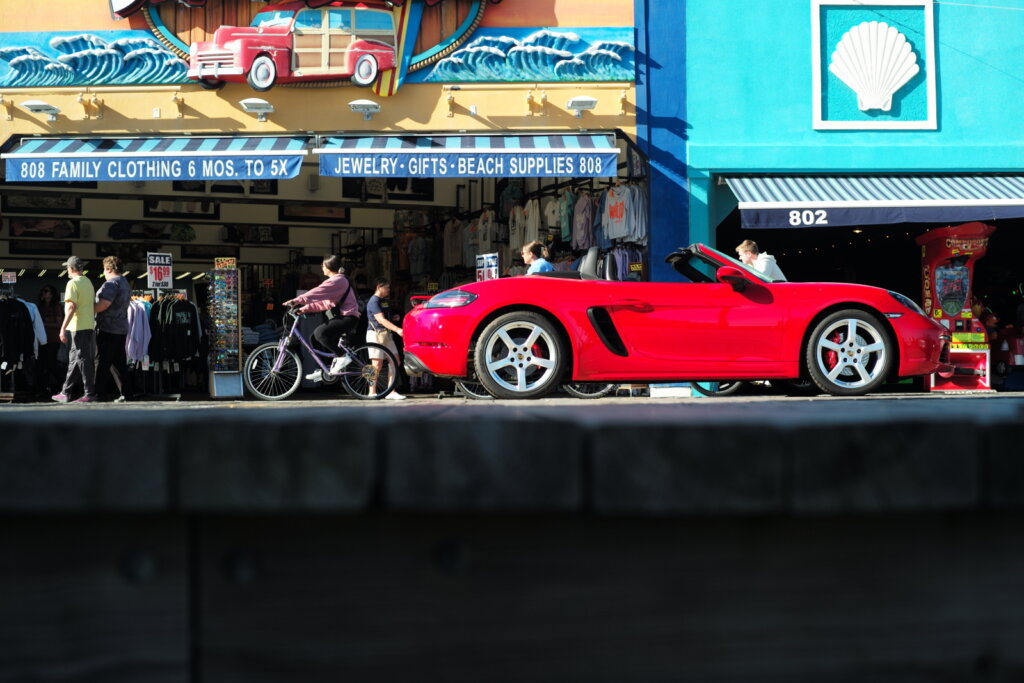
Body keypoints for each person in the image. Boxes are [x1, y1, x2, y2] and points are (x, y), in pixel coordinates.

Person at [282, 254, 360, 380]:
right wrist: (304, 309)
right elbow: (324, 303)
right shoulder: (337, 281)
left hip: (348, 318)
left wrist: (297, 300)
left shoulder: (338, 280)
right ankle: (325, 369)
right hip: (342, 318)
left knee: (320, 333)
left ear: (329, 266)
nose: (321, 267)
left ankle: (342, 356)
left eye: (323, 265)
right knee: (314, 338)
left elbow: (318, 292)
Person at [53, 255, 97, 403]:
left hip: (78, 326)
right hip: (87, 325)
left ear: (71, 268)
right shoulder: (88, 282)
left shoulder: (72, 283)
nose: (67, 270)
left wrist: (62, 328)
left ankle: (89, 393)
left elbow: (71, 307)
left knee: (83, 359)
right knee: (75, 359)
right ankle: (66, 392)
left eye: (67, 267)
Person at [93, 255, 131, 402]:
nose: (103, 272)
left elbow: (104, 304)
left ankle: (99, 393)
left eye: (104, 269)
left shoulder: (111, 283)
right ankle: (127, 393)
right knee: (118, 362)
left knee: (102, 362)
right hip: (121, 328)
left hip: (108, 328)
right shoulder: (124, 282)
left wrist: (87, 309)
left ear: (108, 269)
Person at [365, 278, 406, 400]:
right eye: (387, 287)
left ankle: (391, 391)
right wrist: (398, 329)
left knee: (395, 360)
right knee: (376, 364)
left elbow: (384, 317)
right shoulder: (373, 301)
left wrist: (393, 317)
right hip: (375, 334)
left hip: (386, 334)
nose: (389, 290)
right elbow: (381, 320)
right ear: (379, 287)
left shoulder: (384, 301)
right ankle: (371, 391)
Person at [37, 284, 64, 395]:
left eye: (46, 291)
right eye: (43, 291)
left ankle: (63, 384)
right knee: (41, 364)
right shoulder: (40, 307)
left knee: (51, 364)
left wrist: (43, 324)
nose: (43, 293)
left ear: (52, 294)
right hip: (42, 339)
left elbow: (59, 324)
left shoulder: (56, 307)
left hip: (53, 339)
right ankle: (43, 388)